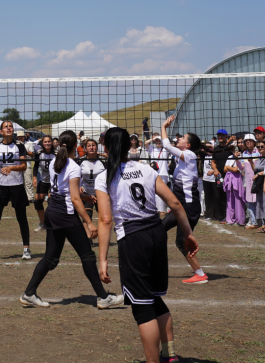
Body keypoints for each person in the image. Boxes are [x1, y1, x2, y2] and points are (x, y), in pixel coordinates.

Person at [96, 127, 199, 363]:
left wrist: (102, 259)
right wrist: (188, 233)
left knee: (142, 306)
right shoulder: (145, 168)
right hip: (156, 231)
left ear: (106, 148)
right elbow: (174, 203)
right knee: (153, 297)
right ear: (128, 146)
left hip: (134, 238)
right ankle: (169, 356)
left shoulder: (106, 177)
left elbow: (104, 219)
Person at [20, 130, 123, 309]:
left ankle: (29, 293)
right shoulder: (73, 166)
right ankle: (103, 297)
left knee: (51, 258)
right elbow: (74, 198)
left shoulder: (54, 162)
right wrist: (89, 223)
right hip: (65, 215)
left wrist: (86, 198)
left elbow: (62, 191)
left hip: (52, 211)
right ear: (76, 146)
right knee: (87, 255)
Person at [160, 116, 208, 284]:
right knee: (159, 229)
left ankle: (200, 274)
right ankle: (152, 264)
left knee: (181, 241)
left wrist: (163, 126)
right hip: (180, 205)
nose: (179, 138)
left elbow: (166, 145)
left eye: (182, 138)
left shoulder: (188, 155)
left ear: (187, 145)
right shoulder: (185, 156)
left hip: (187, 207)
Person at [0, 120, 31, 260]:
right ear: (1, 132)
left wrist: (11, 168)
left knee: (21, 218)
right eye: (6, 127)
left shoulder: (19, 146)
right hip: (0, 186)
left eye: (10, 126)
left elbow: (24, 166)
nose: (9, 128)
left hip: (16, 185)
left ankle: (26, 249)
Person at [32, 136, 55, 232]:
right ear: (42, 143)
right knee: (37, 201)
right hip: (44, 180)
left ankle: (54, 224)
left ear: (52, 142)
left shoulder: (56, 153)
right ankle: (42, 223)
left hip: (54, 181)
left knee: (51, 202)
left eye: (49, 141)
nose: (47, 143)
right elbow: (36, 166)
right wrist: (34, 178)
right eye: (45, 142)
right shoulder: (39, 153)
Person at [78, 138, 105, 223]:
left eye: (93, 145)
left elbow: (110, 176)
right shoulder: (81, 160)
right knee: (87, 216)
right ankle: (87, 236)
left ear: (97, 147)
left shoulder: (104, 160)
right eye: (89, 146)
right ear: (85, 149)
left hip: (100, 192)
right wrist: (79, 186)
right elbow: (76, 175)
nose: (91, 147)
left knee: (103, 217)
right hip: (86, 192)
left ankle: (102, 235)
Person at [209, 129, 230, 223]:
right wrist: (215, 169)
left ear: (226, 136)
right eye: (218, 135)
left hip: (230, 176)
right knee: (219, 196)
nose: (220, 137)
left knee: (230, 197)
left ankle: (230, 216)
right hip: (220, 177)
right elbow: (213, 162)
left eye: (222, 135)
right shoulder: (216, 149)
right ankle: (222, 216)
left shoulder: (230, 148)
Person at [222, 144, 245, 226]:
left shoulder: (242, 156)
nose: (234, 151)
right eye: (232, 149)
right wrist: (229, 167)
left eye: (235, 149)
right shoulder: (229, 157)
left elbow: (236, 170)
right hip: (229, 179)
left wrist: (228, 167)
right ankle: (230, 219)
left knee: (238, 199)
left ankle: (240, 220)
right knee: (230, 199)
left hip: (237, 179)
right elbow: (224, 169)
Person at [150, 135, 170, 217]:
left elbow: (168, 144)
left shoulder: (165, 149)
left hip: (163, 173)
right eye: (157, 141)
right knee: (153, 192)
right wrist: (154, 139)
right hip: (153, 173)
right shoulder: (152, 149)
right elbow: (146, 144)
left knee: (162, 193)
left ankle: (162, 210)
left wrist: (162, 139)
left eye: (159, 141)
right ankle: (155, 209)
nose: (158, 143)